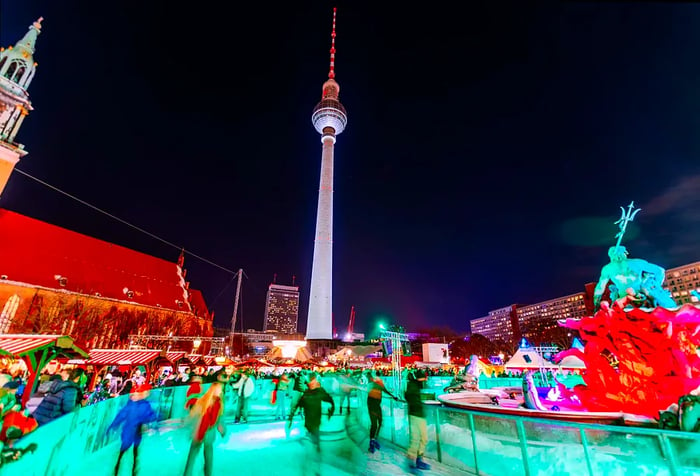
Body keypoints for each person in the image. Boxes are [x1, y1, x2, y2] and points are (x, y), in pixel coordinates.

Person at [593, 245, 676, 311]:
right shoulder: (637, 263)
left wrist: (596, 302)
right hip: (642, 296)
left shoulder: (608, 269)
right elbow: (660, 271)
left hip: (624, 300)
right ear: (624, 253)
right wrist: (657, 286)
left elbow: (600, 288)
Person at [182, 371, 228, 476]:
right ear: (213, 390)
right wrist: (188, 422)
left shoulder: (219, 404)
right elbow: (194, 413)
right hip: (199, 431)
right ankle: (187, 473)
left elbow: (219, 418)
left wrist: (222, 429)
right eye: (218, 390)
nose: (220, 392)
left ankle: (207, 473)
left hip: (209, 432)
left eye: (220, 390)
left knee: (208, 455)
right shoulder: (204, 401)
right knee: (193, 454)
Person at [107, 384, 157, 476]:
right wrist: (113, 425)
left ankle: (131, 470)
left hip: (136, 431)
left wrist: (153, 420)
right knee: (125, 450)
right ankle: (118, 469)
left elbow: (149, 415)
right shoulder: (134, 405)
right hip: (129, 430)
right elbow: (121, 415)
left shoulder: (144, 405)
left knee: (134, 451)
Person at [288, 372, 334, 453]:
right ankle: (314, 441)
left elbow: (329, 399)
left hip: (316, 416)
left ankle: (317, 445)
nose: (312, 383)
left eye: (313, 380)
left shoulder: (320, 391)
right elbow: (300, 403)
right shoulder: (307, 393)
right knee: (310, 429)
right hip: (308, 418)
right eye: (311, 381)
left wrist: (331, 410)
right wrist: (292, 414)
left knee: (315, 430)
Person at [366, 370, 398, 453]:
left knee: (379, 422)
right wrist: (393, 396)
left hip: (375, 404)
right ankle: (372, 441)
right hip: (373, 404)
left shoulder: (376, 382)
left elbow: (384, 390)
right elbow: (384, 390)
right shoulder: (376, 383)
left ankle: (374, 439)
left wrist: (393, 396)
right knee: (375, 424)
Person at [404, 369, 431, 472]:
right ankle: (411, 463)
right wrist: (416, 406)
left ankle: (419, 459)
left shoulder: (417, 386)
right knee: (415, 438)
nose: (426, 381)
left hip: (419, 414)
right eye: (425, 378)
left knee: (424, 438)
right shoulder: (412, 386)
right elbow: (409, 397)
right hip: (415, 414)